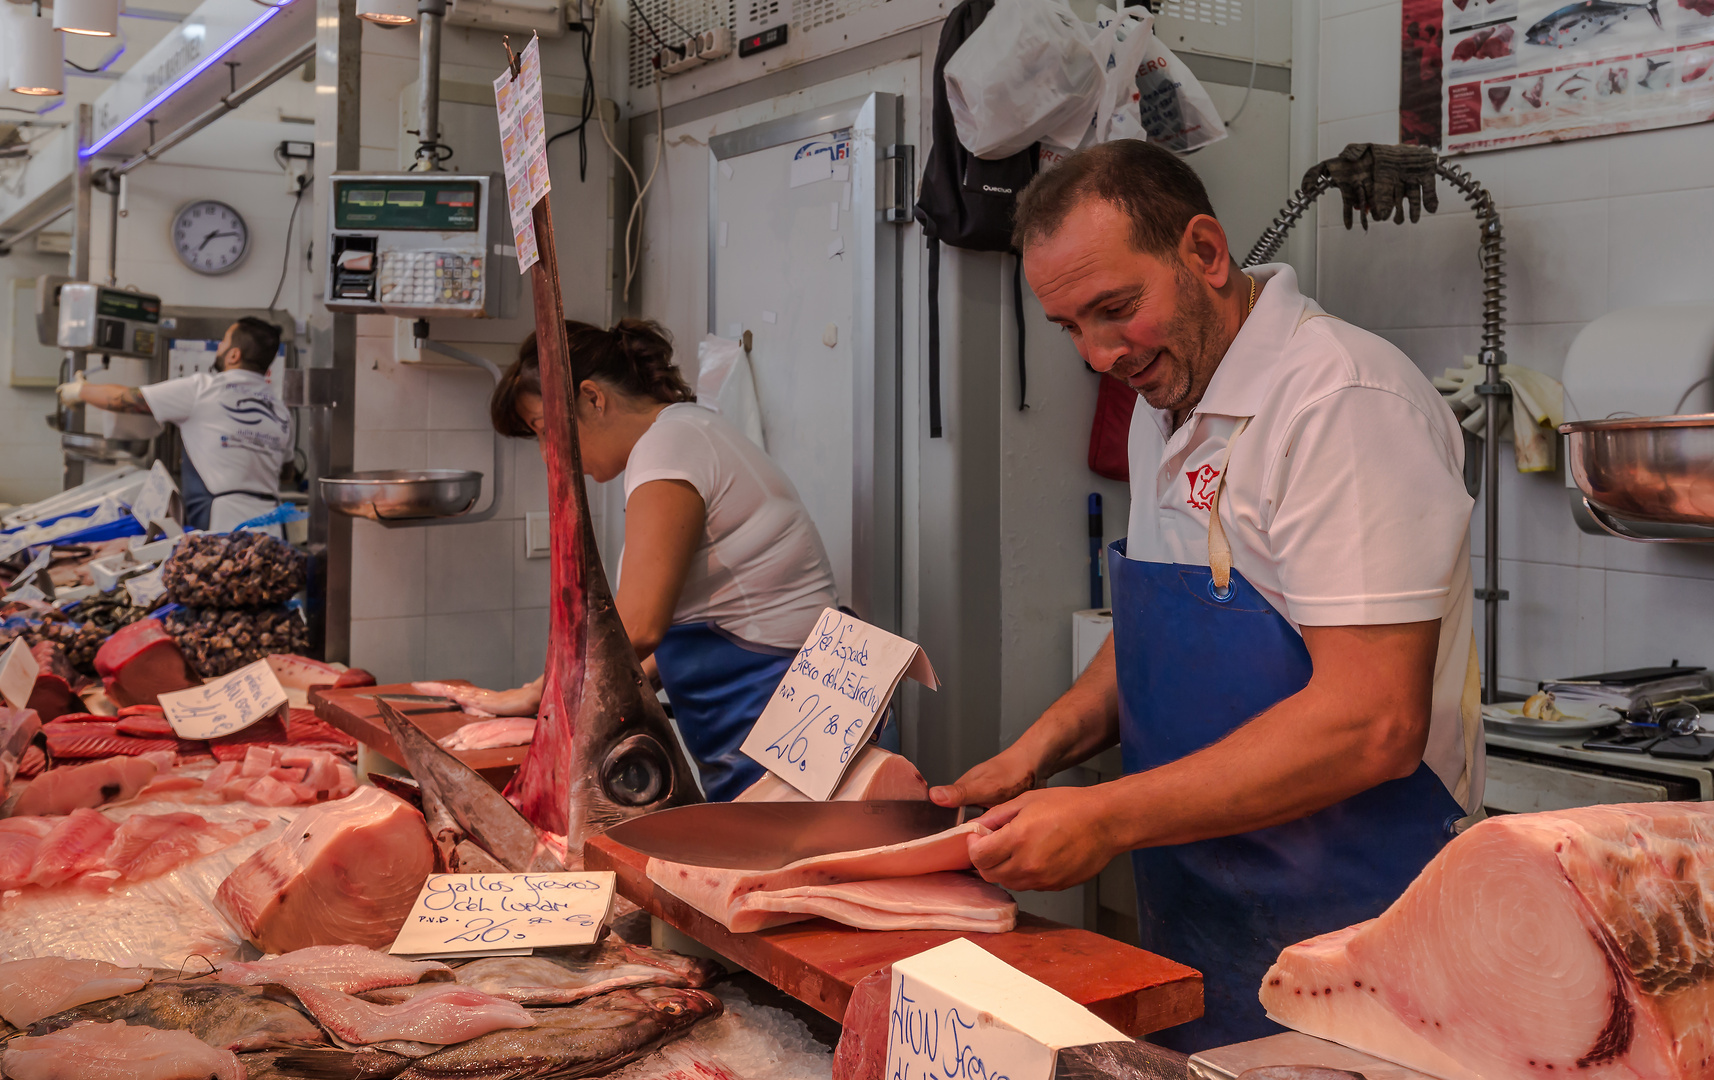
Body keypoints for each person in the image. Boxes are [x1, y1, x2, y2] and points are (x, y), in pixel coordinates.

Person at [929, 141, 1482, 1050]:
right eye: (1070, 327)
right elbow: (1168, 632)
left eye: (1116, 309)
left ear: (1206, 253)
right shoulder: (1167, 403)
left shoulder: (1339, 402)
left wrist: (1104, 815)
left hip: (1360, 922)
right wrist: (1034, 753)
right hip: (1202, 900)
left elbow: (1373, 722)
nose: (1101, 354)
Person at [435, 319, 839, 802]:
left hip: (792, 714)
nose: (550, 455)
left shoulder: (669, 445)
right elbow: (667, 641)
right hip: (793, 709)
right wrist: (564, 708)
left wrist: (539, 694)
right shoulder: (687, 432)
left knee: (817, 874)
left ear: (592, 398)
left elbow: (640, 625)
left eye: (545, 430)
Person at [58, 317, 292, 531]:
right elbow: (287, 470)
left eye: (223, 343)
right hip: (273, 524)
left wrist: (80, 391)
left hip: (225, 522)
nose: (219, 348)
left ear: (234, 355)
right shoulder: (281, 410)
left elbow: (126, 400)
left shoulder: (204, 389)